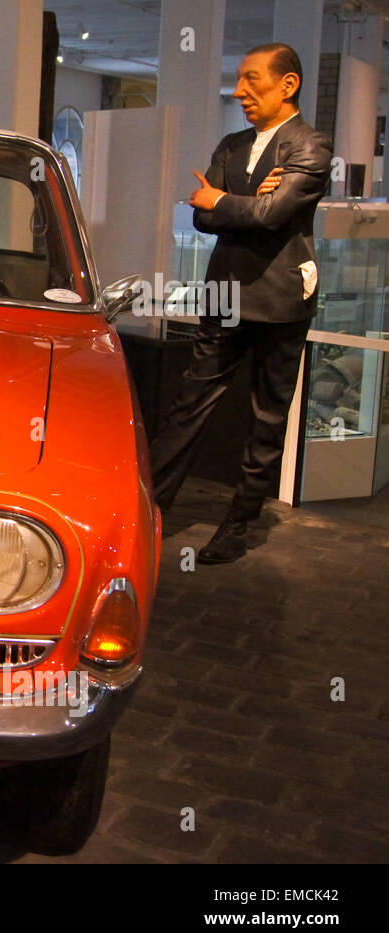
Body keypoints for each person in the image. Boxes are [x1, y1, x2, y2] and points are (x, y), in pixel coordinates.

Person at [150, 42, 332, 563]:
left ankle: (239, 521)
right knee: (191, 401)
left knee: (267, 416)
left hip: (281, 300)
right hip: (225, 291)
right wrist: (238, 205)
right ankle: (154, 505)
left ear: (288, 84)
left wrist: (226, 202)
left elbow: (272, 215)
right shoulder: (232, 144)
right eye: (240, 80)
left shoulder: (311, 146)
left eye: (253, 79)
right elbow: (201, 217)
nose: (240, 91)